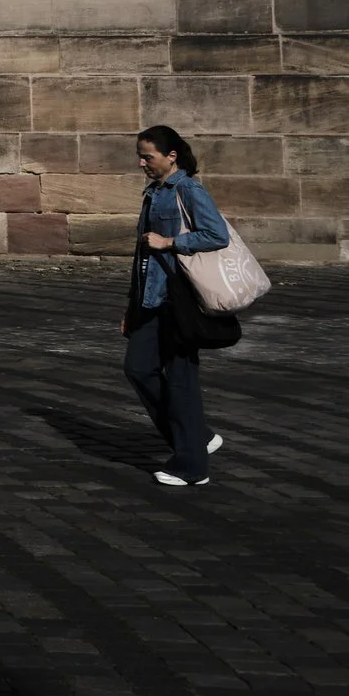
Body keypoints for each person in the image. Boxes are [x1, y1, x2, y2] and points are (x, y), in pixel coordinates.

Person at [124, 125, 233, 487]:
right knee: (138, 368)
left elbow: (216, 234)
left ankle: (192, 467)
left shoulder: (188, 189)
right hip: (150, 298)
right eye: (140, 156)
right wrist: (131, 307)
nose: (141, 163)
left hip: (179, 299)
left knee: (181, 381)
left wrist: (170, 242)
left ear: (171, 157)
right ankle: (197, 437)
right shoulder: (154, 192)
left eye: (148, 157)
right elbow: (142, 256)